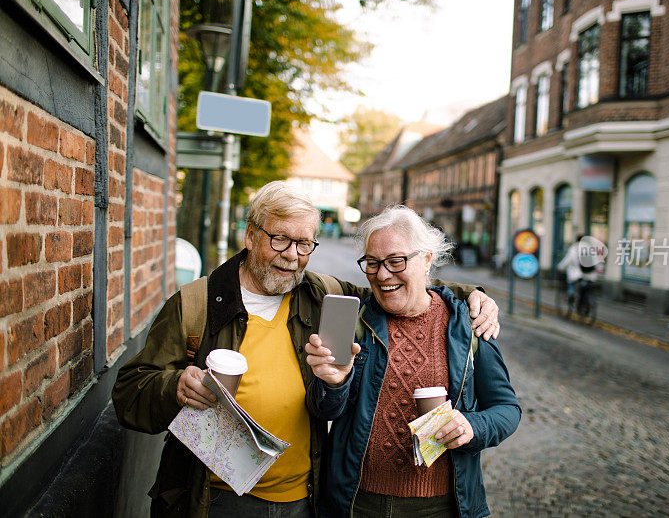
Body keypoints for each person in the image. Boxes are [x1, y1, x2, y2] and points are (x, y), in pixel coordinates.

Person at [111, 182, 500, 518]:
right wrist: (175, 386)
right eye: (280, 238)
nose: (293, 254)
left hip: (303, 500)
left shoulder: (322, 294)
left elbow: (396, 289)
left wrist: (470, 296)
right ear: (250, 236)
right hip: (212, 499)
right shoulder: (196, 303)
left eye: (304, 243)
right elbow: (129, 393)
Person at [305, 205, 520, 518]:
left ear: (427, 260)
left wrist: (471, 426)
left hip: (441, 506)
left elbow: (507, 409)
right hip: (357, 502)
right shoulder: (355, 321)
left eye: (396, 261)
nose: (382, 274)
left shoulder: (469, 324)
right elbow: (324, 410)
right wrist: (333, 384)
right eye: (373, 263)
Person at [556, 233, 599, 309]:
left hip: (577, 274)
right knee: (585, 288)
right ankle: (586, 304)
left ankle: (571, 294)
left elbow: (567, 260)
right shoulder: (590, 248)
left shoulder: (574, 248)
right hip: (589, 275)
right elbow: (596, 261)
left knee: (571, 284)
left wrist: (560, 267)